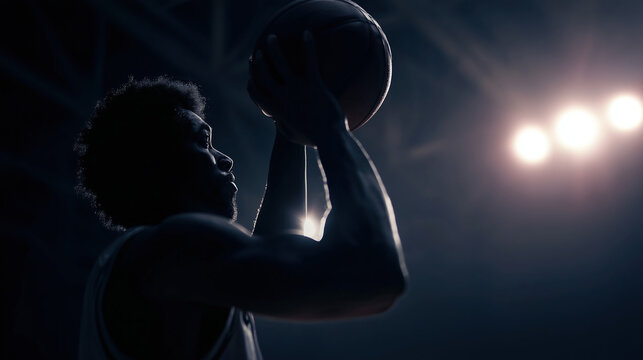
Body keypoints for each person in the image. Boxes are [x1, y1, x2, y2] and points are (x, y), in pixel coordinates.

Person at [76, 32, 407, 359]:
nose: (225, 158)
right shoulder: (167, 251)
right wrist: (327, 124)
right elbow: (376, 272)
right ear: (154, 161)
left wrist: (289, 123)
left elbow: (276, 243)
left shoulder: (158, 261)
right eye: (203, 141)